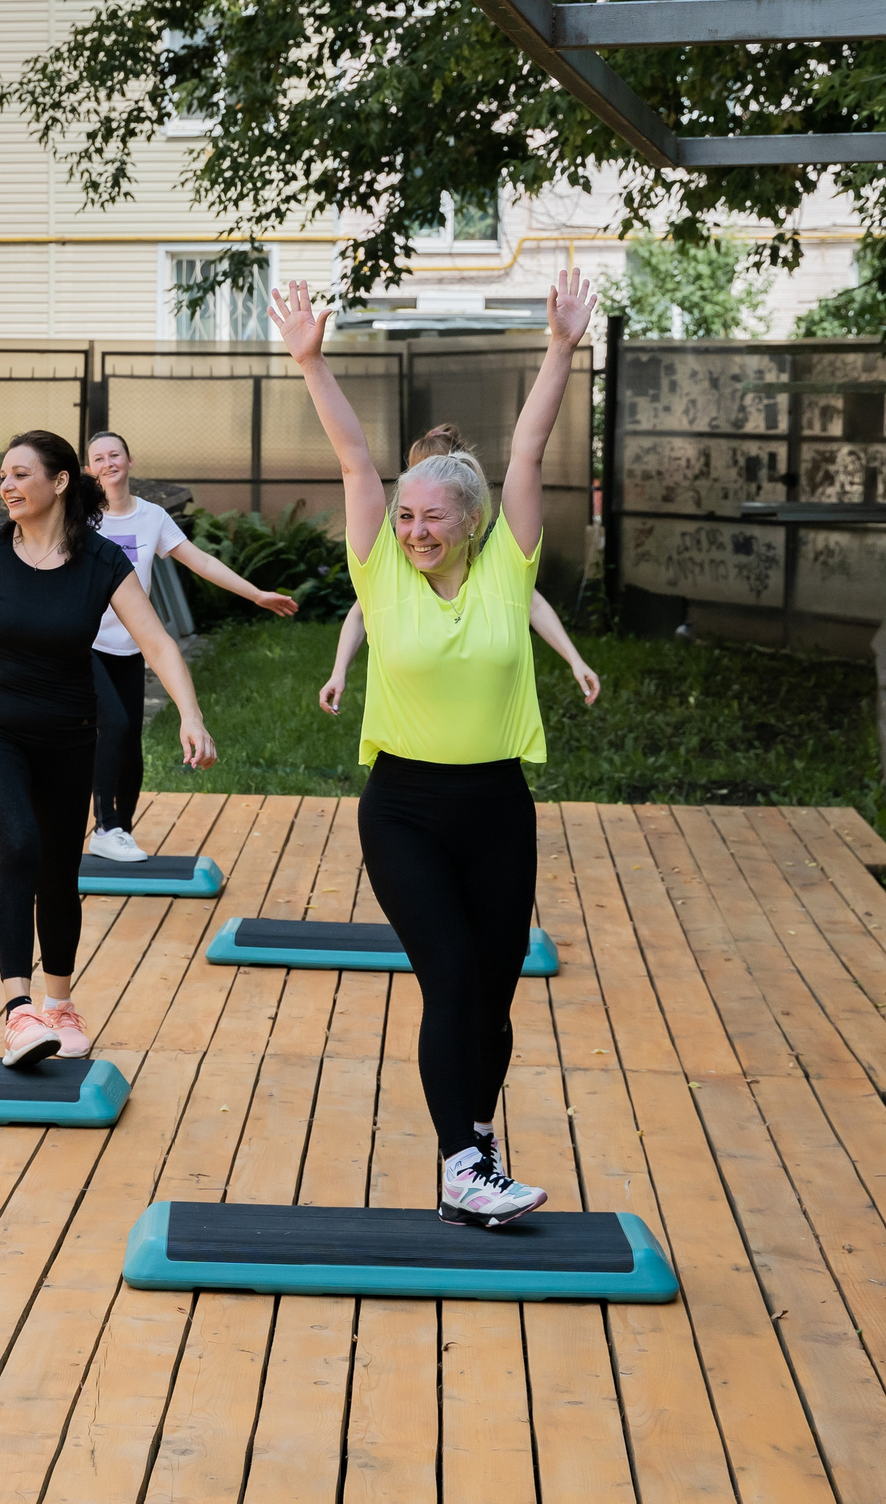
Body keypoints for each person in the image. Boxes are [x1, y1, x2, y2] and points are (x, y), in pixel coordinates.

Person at [278, 267, 599, 1228]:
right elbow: (350, 460)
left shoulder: (508, 570)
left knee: (493, 999)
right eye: (406, 516)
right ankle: (462, 1160)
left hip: (499, 808)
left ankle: (475, 1144)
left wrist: (558, 348)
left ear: (472, 523)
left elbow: (533, 444)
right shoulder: (380, 576)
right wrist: (310, 364)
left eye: (431, 518)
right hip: (405, 809)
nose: (414, 530)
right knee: (451, 974)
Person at [0, 430, 217, 1069]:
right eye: (2, 476)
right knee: (19, 846)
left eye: (20, 475)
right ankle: (19, 1013)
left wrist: (190, 715)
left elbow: (158, 642)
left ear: (60, 482)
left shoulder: (99, 561)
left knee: (61, 871)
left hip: (68, 734)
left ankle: (60, 1007)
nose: (6, 486)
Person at [80, 430, 297, 863]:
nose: (108, 463)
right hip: (87, 643)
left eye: (115, 455)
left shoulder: (152, 517)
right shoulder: (84, 519)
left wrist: (256, 594)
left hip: (131, 644)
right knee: (114, 726)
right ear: (89, 470)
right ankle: (103, 827)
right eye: (99, 458)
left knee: (130, 741)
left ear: (130, 460)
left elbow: (201, 561)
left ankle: (120, 831)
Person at [318, 426, 600, 718]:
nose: (419, 530)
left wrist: (574, 659)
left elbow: (532, 601)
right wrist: (339, 671)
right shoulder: (404, 553)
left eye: (437, 511)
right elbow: (362, 609)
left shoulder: (489, 550)